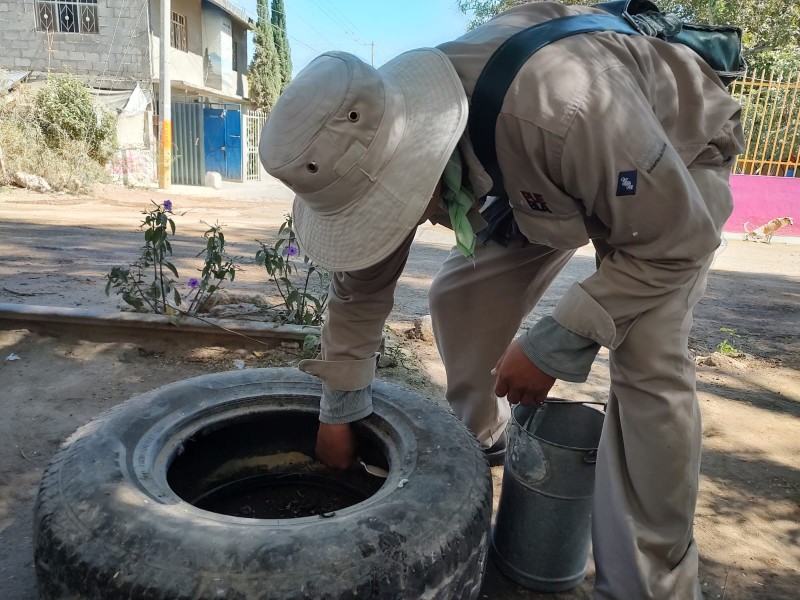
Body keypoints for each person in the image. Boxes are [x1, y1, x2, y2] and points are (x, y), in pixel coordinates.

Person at [259, 2, 743, 598]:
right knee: (459, 295)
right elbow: (360, 286)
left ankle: (653, 581)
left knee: (648, 352)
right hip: (545, 179)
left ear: (410, 161)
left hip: (673, 159)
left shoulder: (562, 105)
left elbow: (676, 241)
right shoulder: (388, 131)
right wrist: (339, 410)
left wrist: (553, 344)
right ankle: (483, 438)